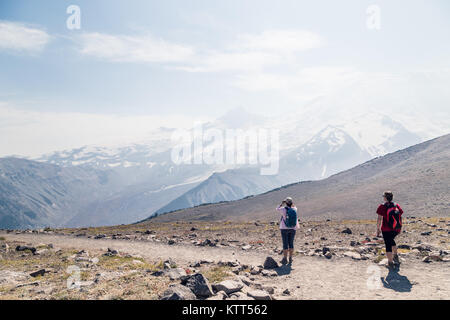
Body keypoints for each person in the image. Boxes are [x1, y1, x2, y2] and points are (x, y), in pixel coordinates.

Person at [376, 191, 404, 269]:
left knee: (388, 245)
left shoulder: (382, 206)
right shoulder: (396, 205)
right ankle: (395, 256)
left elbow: (379, 219)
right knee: (392, 241)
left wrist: (378, 229)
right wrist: (399, 227)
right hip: (395, 228)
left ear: (385, 198)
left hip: (386, 229)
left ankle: (390, 263)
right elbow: (400, 215)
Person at [276, 197, 300, 265]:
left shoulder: (283, 209)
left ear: (286, 203)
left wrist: (282, 203)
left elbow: (277, 208)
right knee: (291, 243)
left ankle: (285, 259)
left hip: (284, 228)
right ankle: (290, 258)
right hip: (292, 228)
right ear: (291, 203)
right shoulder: (294, 209)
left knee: (285, 244)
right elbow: (294, 206)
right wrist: (291, 203)